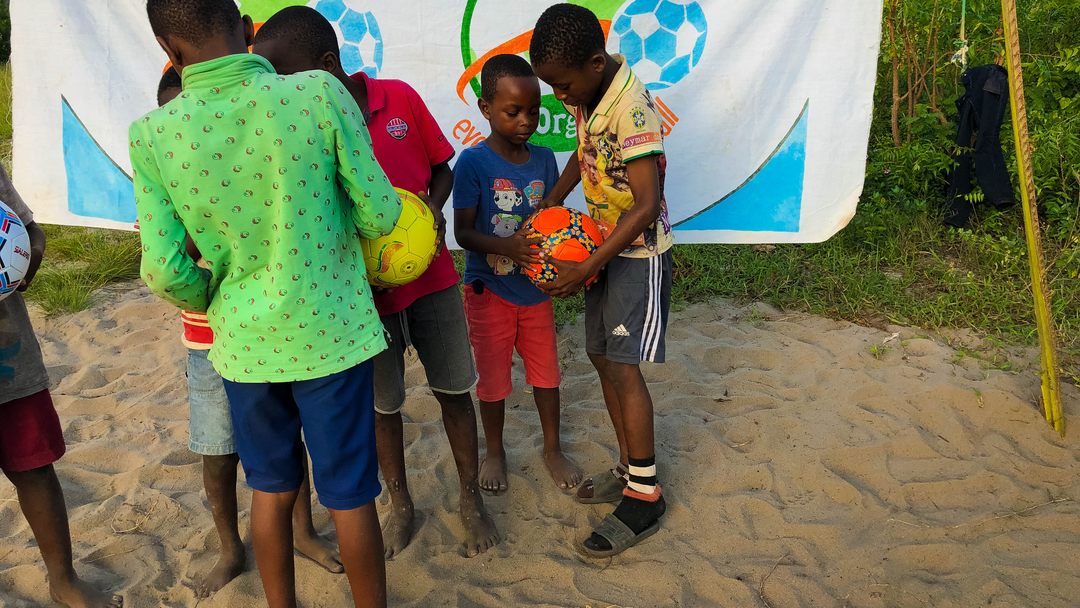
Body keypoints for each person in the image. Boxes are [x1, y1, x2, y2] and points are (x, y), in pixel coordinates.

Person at [131, 1, 401, 606]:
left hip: (244, 345)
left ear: (169, 52)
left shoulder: (153, 134)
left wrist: (214, 298)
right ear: (248, 31)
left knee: (272, 489)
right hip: (331, 332)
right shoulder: (318, 95)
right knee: (350, 495)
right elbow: (382, 213)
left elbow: (164, 270)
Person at [252, 6, 500, 559]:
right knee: (384, 407)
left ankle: (469, 497)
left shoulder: (399, 99)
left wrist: (431, 211)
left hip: (432, 281)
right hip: (361, 299)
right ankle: (401, 504)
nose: (279, 90)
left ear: (326, 65)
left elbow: (442, 168)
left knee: (455, 391)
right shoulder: (299, 128)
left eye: (286, 76)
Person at [154, 68, 342, 600]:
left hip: (264, 336)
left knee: (286, 441)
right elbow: (166, 260)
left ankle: (303, 531)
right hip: (207, 343)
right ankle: (230, 548)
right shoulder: (165, 177)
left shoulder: (243, 164)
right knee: (217, 449)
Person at [529, 3, 673, 557]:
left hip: (636, 255)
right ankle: (630, 467)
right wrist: (553, 200)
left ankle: (645, 496)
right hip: (601, 250)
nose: (560, 96)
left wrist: (588, 266)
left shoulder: (631, 109)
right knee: (600, 354)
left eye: (563, 86)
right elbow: (584, 154)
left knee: (623, 366)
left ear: (594, 63)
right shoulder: (589, 94)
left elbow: (646, 205)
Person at [451, 54, 582, 494]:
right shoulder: (473, 163)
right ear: (486, 108)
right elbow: (463, 233)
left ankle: (552, 448)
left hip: (536, 293)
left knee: (547, 374)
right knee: (492, 380)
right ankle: (495, 451)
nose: (525, 120)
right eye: (513, 111)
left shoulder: (544, 160)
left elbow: (554, 222)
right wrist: (508, 247)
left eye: (533, 111)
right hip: (489, 291)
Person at [0, 166, 124, 608]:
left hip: (10, 358)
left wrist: (28, 258)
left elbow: (29, 229)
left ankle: (63, 579)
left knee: (34, 467)